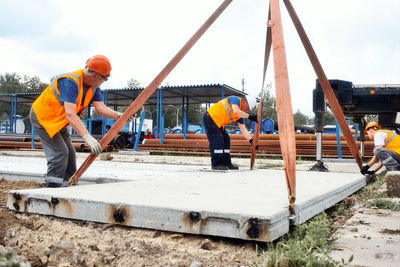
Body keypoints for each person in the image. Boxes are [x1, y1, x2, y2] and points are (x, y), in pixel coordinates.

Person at [30, 55, 130, 187]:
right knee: (60, 153)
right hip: (42, 118)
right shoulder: (70, 82)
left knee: (70, 155)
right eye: (104, 79)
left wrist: (120, 116)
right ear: (95, 75)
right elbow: (71, 115)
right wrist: (87, 137)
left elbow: (100, 108)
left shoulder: (93, 86)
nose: (103, 82)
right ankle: (51, 189)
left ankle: (68, 186)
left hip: (58, 120)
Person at [202, 96, 258, 170]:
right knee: (218, 139)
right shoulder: (235, 99)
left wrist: (251, 141)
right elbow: (236, 111)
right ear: (244, 102)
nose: (247, 110)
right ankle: (216, 164)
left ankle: (226, 163)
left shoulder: (240, 114)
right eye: (248, 107)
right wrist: (250, 117)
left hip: (218, 122)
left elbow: (243, 129)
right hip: (210, 117)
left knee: (226, 139)